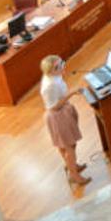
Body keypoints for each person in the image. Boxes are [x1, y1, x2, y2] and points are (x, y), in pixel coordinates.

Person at [39, 55, 91, 185]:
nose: (62, 67)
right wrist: (72, 93)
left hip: (62, 113)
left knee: (68, 145)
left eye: (61, 63)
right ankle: (74, 175)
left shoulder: (55, 76)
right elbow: (54, 106)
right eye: (58, 67)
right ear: (50, 71)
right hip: (57, 116)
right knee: (69, 146)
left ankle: (71, 165)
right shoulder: (49, 86)